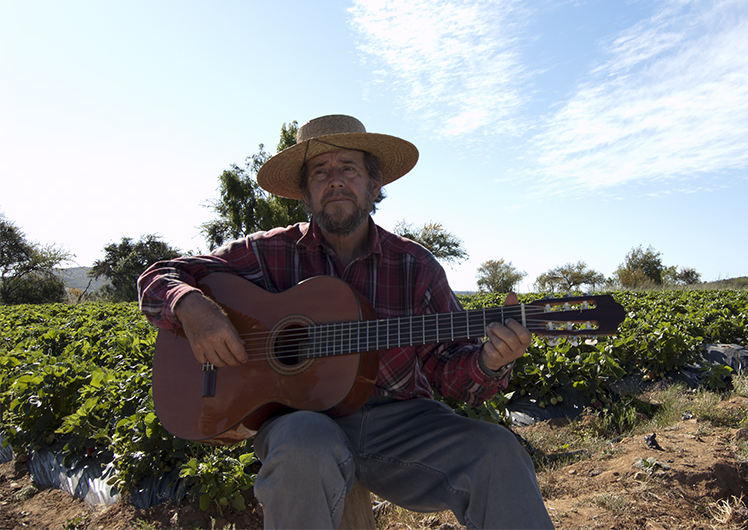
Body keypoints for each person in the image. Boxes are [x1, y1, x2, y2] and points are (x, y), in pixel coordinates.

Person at [138, 114, 554, 530]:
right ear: (306, 192)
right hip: (300, 423)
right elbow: (158, 275)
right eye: (320, 172)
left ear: (374, 186)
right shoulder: (268, 252)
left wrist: (490, 362)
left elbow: (449, 372)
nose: (334, 180)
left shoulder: (415, 265)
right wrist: (193, 307)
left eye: (348, 169)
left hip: (401, 423)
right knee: (303, 446)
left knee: (498, 450)